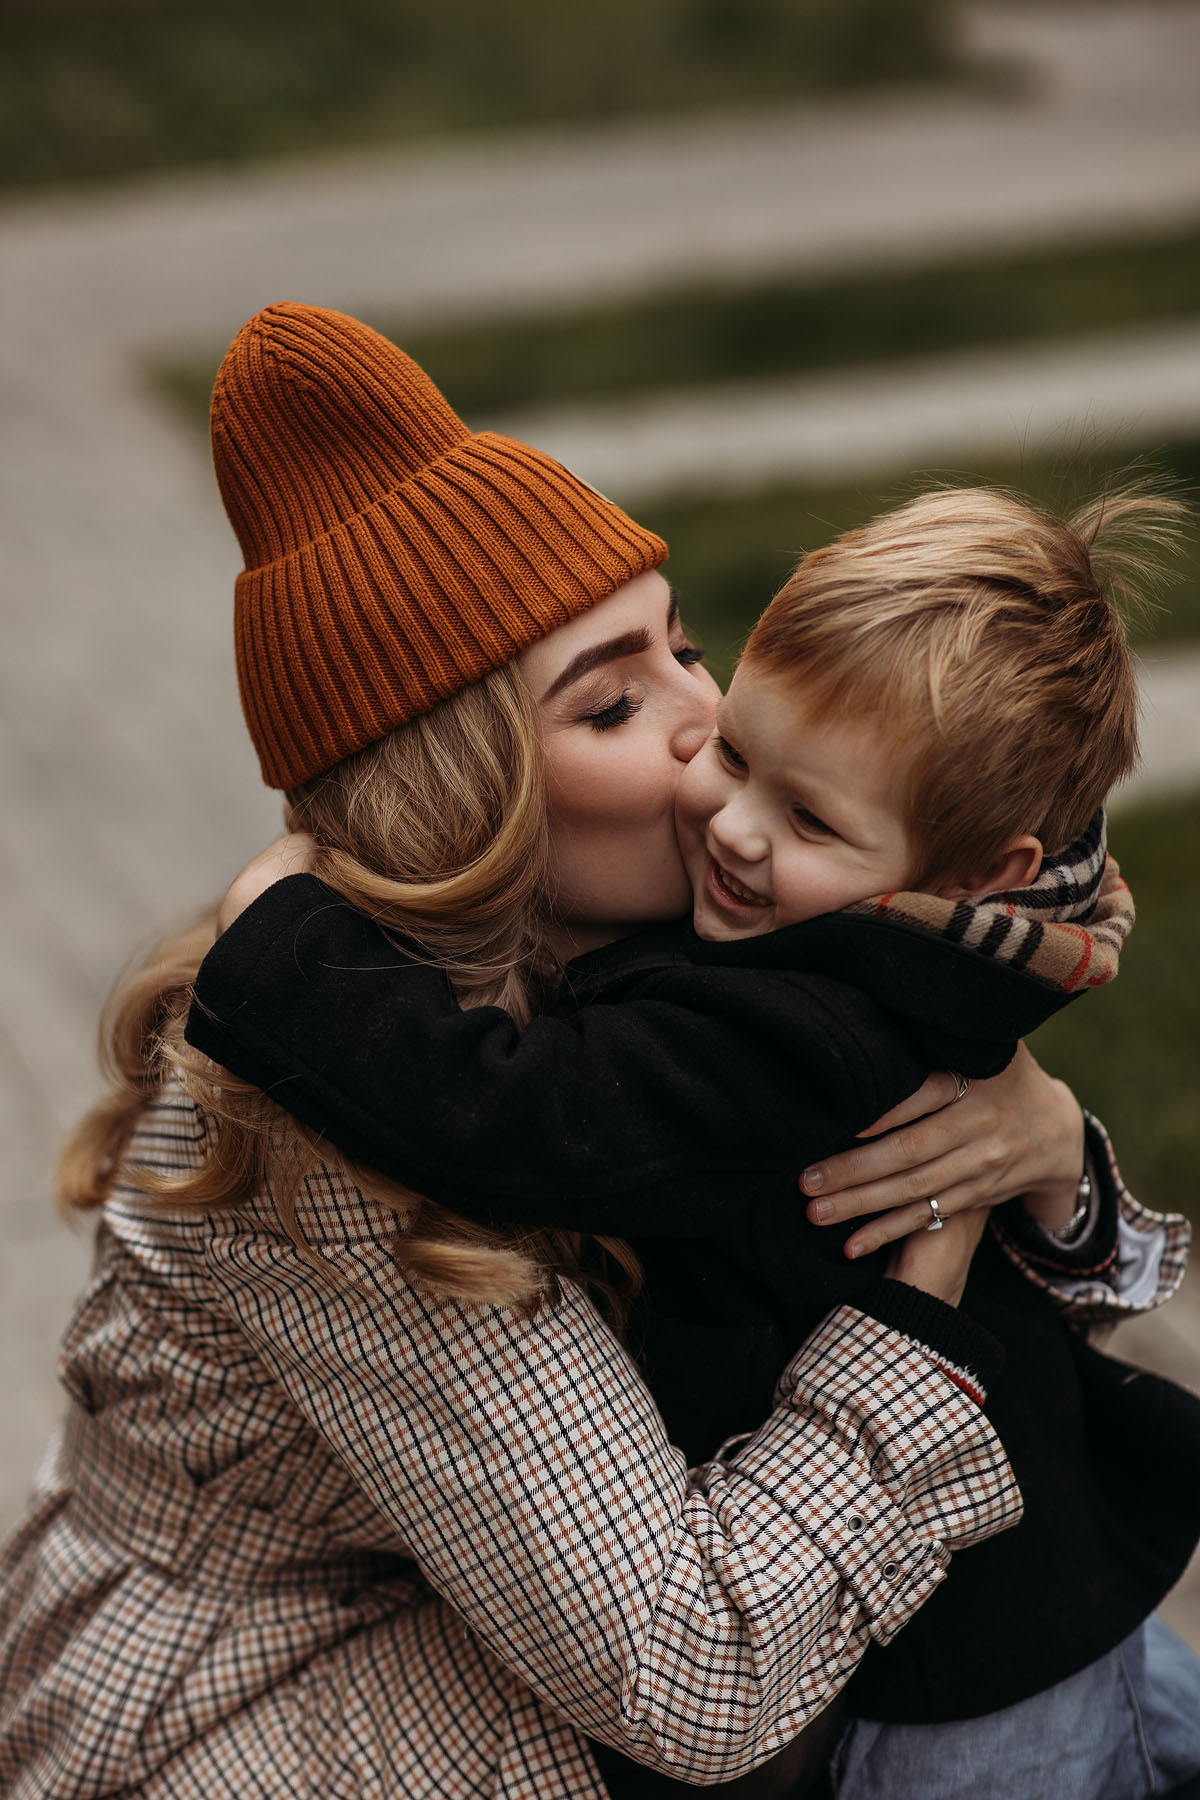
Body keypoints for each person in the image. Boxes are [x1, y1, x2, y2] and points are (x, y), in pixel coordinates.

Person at [0, 303, 1176, 1800]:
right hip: (273, 1717)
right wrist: (925, 1286)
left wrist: (1043, 1143)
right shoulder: (351, 1115)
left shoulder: (668, 952)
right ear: (464, 792)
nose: (711, 730)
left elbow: (1017, 1308)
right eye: (615, 702)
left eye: (685, 646)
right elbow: (700, 1675)